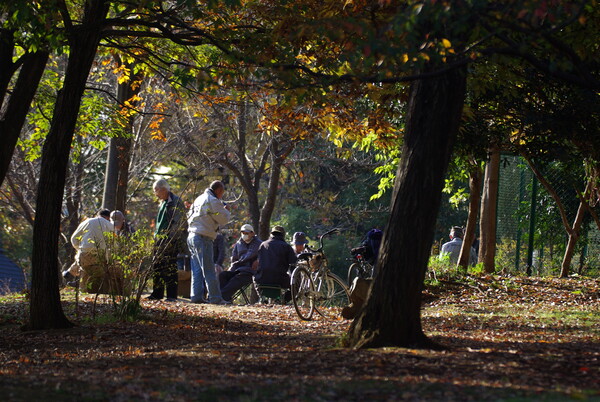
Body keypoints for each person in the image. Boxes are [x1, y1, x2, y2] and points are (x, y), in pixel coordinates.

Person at [187, 180, 231, 304]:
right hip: (203, 237)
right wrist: (227, 210)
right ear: (218, 190)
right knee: (209, 269)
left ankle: (196, 296)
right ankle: (215, 298)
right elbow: (223, 219)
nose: (222, 195)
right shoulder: (213, 200)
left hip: (192, 235)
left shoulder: (198, 199)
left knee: (196, 269)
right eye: (222, 192)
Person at [148, 179, 187, 301]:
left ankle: (171, 296)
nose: (155, 193)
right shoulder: (163, 202)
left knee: (170, 267)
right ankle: (157, 293)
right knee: (157, 266)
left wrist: (171, 239)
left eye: (156, 190)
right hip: (159, 239)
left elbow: (179, 222)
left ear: (164, 189)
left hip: (170, 240)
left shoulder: (175, 201)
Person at [62, 209, 114, 290]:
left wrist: (79, 249)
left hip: (85, 254)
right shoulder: (110, 225)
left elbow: (73, 238)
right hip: (102, 256)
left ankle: (72, 274)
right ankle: (74, 277)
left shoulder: (88, 221)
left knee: (83, 262)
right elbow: (114, 245)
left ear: (98, 215)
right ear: (108, 218)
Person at [219, 224, 262, 302]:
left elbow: (263, 256)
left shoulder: (259, 243)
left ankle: (222, 297)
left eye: (247, 233)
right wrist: (231, 268)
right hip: (238, 268)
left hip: (250, 271)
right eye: (243, 233)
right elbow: (234, 258)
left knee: (238, 278)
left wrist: (258, 260)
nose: (244, 235)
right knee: (223, 275)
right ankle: (222, 297)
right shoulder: (238, 244)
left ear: (252, 233)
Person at [254, 226, 297, 298]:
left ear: (271, 234)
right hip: (280, 280)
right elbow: (293, 264)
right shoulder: (286, 246)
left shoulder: (262, 245)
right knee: (297, 284)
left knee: (254, 278)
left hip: (262, 279)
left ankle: (262, 297)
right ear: (283, 235)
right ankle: (284, 300)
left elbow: (259, 262)